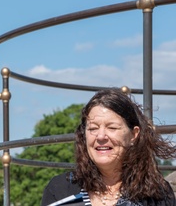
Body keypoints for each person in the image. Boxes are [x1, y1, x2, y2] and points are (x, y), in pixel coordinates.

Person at [41, 88, 176, 206]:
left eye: (112, 127)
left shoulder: (158, 195)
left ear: (134, 135)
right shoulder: (60, 190)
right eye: (93, 128)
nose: (101, 137)